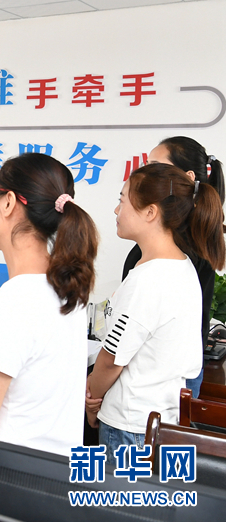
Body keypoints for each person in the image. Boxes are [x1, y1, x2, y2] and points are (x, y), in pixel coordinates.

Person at [0, 153, 98, 456]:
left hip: (9, 475)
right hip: (53, 470)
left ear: (7, 202)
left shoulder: (13, 304)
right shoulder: (65, 290)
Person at [86, 163, 225, 453]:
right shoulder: (181, 266)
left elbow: (112, 359)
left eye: (123, 201)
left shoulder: (148, 279)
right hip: (158, 421)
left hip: (131, 425)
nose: (116, 210)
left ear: (150, 212)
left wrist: (91, 398)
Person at [121, 137, 225, 398]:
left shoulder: (182, 246)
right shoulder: (168, 238)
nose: (146, 172)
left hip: (158, 376)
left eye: (155, 165)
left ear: (187, 177)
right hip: (151, 370)